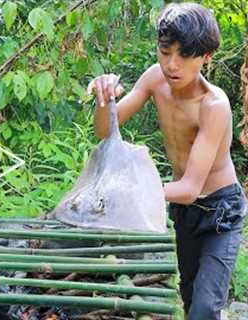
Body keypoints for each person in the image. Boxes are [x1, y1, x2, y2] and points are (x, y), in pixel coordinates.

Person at [88, 3, 246, 320]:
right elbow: (105, 130)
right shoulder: (154, 79)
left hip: (220, 212)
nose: (172, 64)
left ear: (206, 56)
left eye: (184, 55)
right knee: (188, 297)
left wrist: (130, 189)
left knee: (203, 309)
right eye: (165, 51)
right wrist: (105, 98)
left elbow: (189, 187)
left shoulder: (214, 105)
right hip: (184, 211)